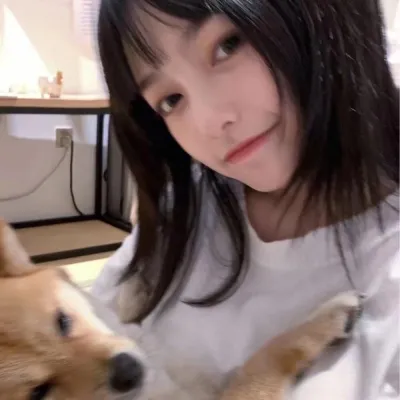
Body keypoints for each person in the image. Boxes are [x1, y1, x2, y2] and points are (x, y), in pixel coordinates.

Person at [91, 0, 399, 398]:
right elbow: (86, 333)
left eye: (229, 44)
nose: (209, 121)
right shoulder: (189, 205)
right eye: (171, 100)